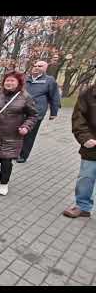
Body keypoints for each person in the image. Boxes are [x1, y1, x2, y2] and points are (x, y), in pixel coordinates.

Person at [0, 71, 38, 196]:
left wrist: (26, 127)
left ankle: (4, 184)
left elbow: (33, 115)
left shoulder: (25, 97)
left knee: (6, 162)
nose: (9, 83)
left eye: (12, 80)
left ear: (19, 83)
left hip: (13, 135)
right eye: (7, 80)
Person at [17, 60, 61, 163]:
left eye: (40, 66)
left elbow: (55, 97)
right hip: (21, 111)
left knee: (29, 135)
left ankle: (23, 155)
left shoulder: (49, 80)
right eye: (35, 65)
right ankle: (15, 152)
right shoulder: (25, 79)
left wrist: (54, 113)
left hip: (36, 113)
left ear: (45, 68)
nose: (36, 67)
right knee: (18, 132)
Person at [63, 84, 96, 218]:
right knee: (86, 177)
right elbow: (78, 117)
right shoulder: (88, 93)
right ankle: (82, 206)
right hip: (93, 146)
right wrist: (85, 138)